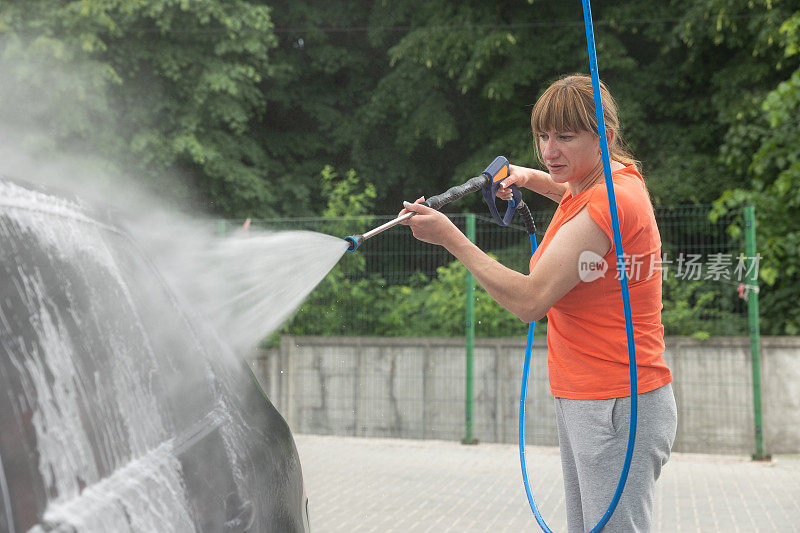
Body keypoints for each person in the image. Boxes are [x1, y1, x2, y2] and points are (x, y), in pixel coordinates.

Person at [398, 74, 677, 532]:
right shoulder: (611, 178)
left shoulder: (610, 201)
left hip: (615, 404)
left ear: (604, 136)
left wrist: (451, 238)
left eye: (565, 137)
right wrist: (529, 178)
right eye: (543, 136)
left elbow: (530, 300)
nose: (550, 150)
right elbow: (575, 191)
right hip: (594, 397)